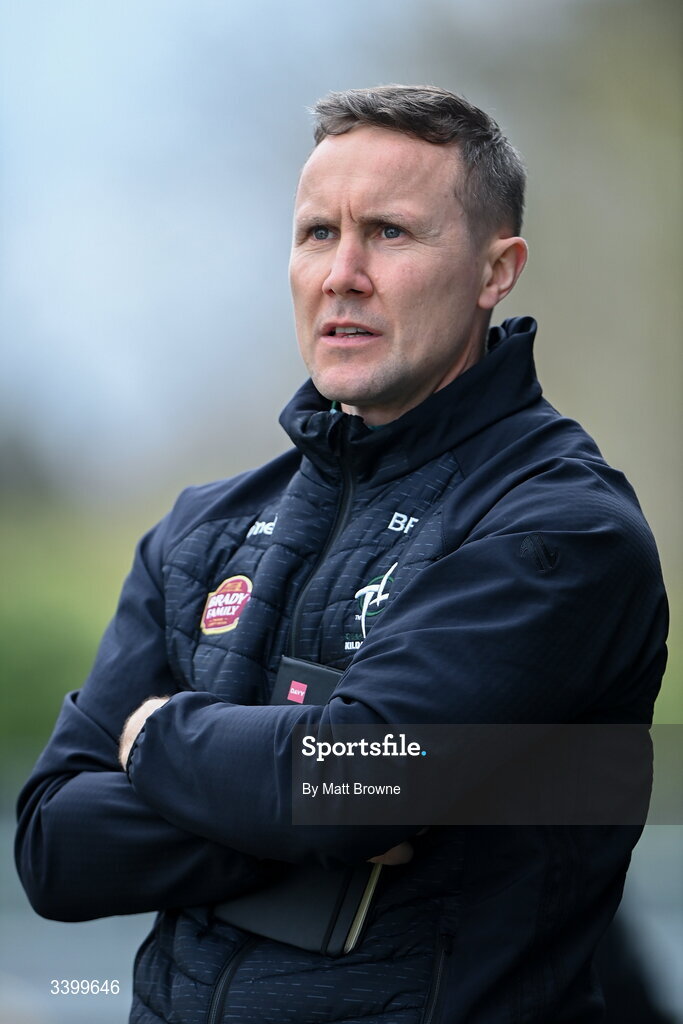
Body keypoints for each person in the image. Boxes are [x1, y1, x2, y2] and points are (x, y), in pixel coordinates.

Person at [15, 85, 668, 1023]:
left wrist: (158, 736)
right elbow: (55, 849)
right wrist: (296, 805)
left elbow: (361, 781)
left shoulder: (559, 529)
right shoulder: (202, 530)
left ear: (497, 270)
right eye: (318, 233)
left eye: (391, 234)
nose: (342, 273)